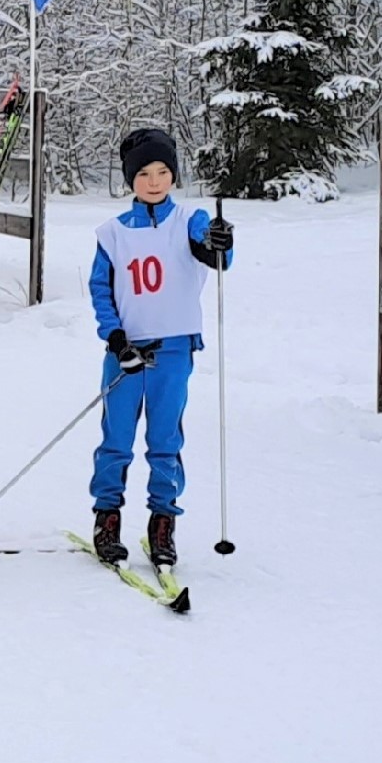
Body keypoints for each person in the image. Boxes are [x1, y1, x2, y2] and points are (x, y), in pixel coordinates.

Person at [88, 128, 234, 569]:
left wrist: (219, 240)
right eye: (145, 173)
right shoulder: (112, 233)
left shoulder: (187, 219)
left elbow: (211, 249)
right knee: (116, 439)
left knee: (165, 439)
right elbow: (101, 289)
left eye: (164, 172)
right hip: (126, 351)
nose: (154, 181)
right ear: (129, 179)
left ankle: (163, 521)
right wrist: (114, 336)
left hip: (173, 349)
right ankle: (107, 516)